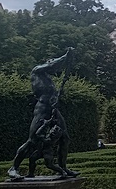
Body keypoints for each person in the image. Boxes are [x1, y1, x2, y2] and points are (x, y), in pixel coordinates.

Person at [9, 48, 77, 180]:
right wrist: (66, 57)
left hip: (53, 110)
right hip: (42, 109)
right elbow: (53, 65)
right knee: (32, 141)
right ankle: (14, 168)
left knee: (65, 138)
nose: (55, 71)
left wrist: (56, 97)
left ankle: (63, 168)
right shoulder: (37, 71)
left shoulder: (48, 79)